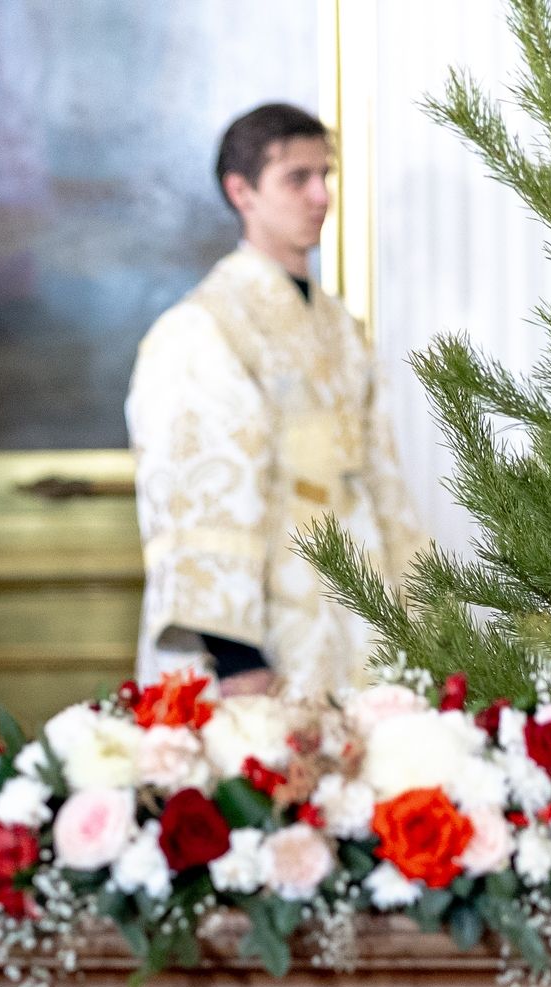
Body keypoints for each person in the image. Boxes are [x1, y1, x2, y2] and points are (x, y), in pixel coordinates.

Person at [127, 102, 427, 700]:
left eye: (325, 175)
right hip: (265, 625)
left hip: (358, 598)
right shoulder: (207, 327)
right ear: (241, 191)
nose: (321, 196)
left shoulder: (339, 326)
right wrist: (236, 659)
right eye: (297, 178)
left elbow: (384, 478)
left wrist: (421, 623)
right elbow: (197, 493)